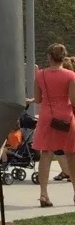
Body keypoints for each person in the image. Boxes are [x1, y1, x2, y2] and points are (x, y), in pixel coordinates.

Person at [31, 43, 75, 208]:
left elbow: (38, 99)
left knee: (46, 154)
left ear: (49, 56)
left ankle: (43, 194)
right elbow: (74, 99)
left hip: (47, 117)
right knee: (71, 155)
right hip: (66, 117)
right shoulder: (70, 75)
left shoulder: (40, 74)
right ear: (63, 58)